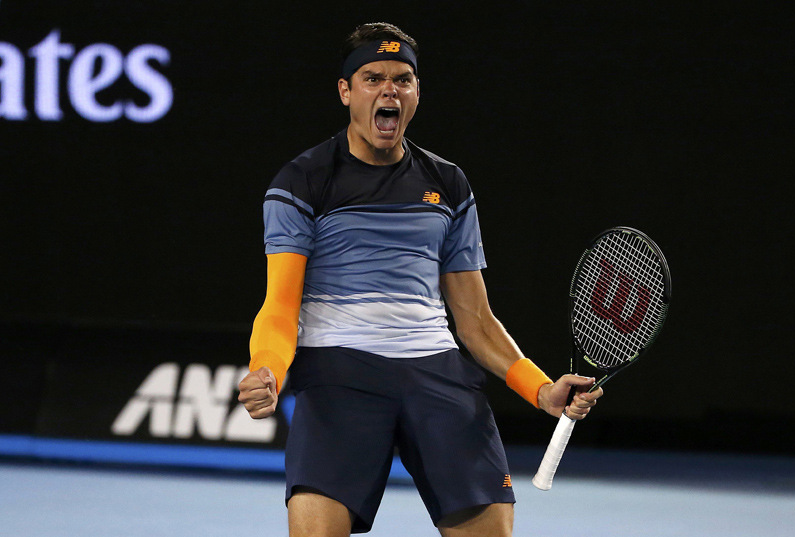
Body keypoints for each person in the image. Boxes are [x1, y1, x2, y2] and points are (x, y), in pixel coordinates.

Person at [238, 22, 603, 537]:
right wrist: (268, 369)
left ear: (415, 93)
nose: (389, 90)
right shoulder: (302, 181)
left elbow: (475, 319)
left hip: (435, 370)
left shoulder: (448, 183)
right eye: (372, 78)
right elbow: (280, 306)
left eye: (403, 79)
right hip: (339, 370)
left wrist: (541, 389)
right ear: (346, 92)